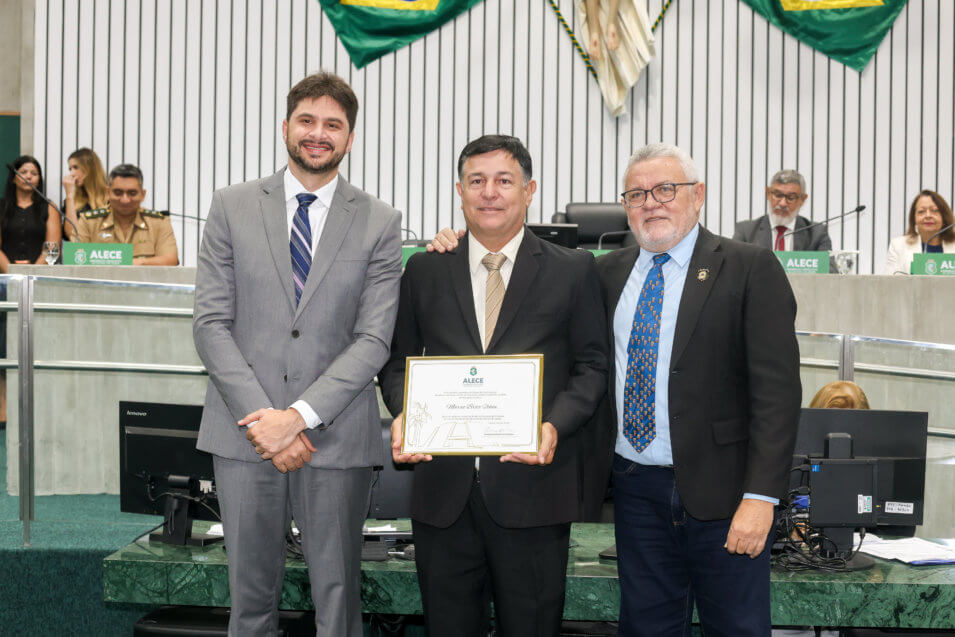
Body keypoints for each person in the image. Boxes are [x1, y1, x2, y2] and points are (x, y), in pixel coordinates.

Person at [429, 142, 801, 636]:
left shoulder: (749, 267)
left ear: (698, 195)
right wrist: (458, 245)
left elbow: (777, 395)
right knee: (645, 626)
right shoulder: (603, 272)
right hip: (634, 489)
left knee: (736, 627)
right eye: (636, 194)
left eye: (665, 189)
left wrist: (761, 497)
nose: (651, 203)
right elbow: (580, 360)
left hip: (725, 493)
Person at [193, 71, 402, 636]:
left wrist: (297, 418)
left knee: (338, 605)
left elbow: (374, 339)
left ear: (350, 138)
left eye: (333, 124)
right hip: (245, 436)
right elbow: (210, 324)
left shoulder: (380, 221)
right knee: (249, 604)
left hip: (334, 438)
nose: (318, 133)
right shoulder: (231, 206)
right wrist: (266, 421)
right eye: (307, 120)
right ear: (285, 127)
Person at [377, 134, 608, 636]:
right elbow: (396, 363)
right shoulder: (425, 269)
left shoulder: (573, 270)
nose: (489, 192)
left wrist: (553, 426)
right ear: (459, 191)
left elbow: (592, 367)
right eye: (476, 181)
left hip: (534, 494)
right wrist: (404, 413)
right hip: (443, 496)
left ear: (529, 191)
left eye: (504, 180)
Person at [75, 164, 179, 265]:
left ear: (143, 195)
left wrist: (131, 263)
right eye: (118, 193)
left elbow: (170, 260)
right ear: (108, 193)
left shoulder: (158, 223)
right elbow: (75, 258)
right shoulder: (88, 222)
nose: (125, 200)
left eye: (132, 193)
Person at [733, 169, 832, 253]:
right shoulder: (746, 232)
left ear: (802, 199)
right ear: (768, 193)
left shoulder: (817, 234)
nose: (783, 203)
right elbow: (734, 266)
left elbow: (829, 268)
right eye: (778, 195)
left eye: (790, 197)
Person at [0, 156, 62, 271]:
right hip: (5, 275)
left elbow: (52, 249)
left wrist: (33, 274)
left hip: (39, 276)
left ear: (39, 180)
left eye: (34, 174)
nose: (29, 176)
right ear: (13, 178)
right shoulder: (2, 207)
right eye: (23, 172)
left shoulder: (50, 207)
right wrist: (11, 272)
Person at [883, 189, 955, 275]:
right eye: (921, 211)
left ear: (944, 216)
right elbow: (889, 281)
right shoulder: (898, 246)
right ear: (914, 219)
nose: (928, 215)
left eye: (934, 210)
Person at [62, 147, 109, 240]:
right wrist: (69, 196)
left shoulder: (112, 196)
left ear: (89, 168)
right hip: (80, 249)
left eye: (76, 167)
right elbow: (72, 235)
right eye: (70, 169)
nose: (72, 173)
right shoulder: (71, 201)